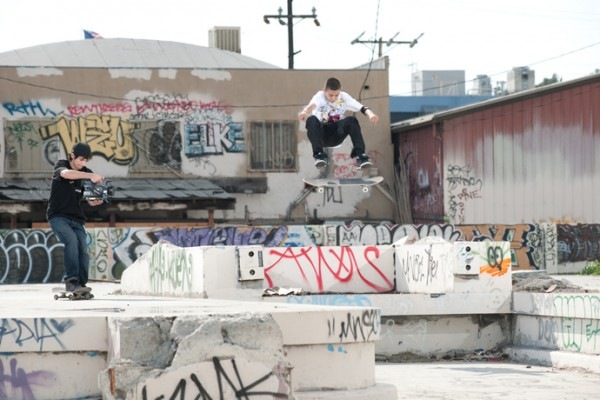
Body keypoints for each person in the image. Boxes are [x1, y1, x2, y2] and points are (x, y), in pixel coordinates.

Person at [47, 142, 104, 293]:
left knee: (83, 248)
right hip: (58, 216)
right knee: (71, 240)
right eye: (80, 159)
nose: (83, 163)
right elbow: (66, 174)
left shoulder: (86, 172)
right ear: (72, 156)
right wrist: (91, 176)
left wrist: (95, 200)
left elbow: (90, 199)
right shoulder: (62, 165)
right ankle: (71, 281)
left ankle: (81, 284)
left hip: (76, 219)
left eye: (85, 160)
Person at [299, 77, 379, 169]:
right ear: (324, 91)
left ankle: (361, 156)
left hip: (336, 135)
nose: (333, 98)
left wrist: (371, 114)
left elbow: (362, 107)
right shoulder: (319, 96)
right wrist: (305, 112)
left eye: (336, 95)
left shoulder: (344, 97)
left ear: (340, 92)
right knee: (311, 119)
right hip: (321, 135)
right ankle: (319, 155)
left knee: (351, 120)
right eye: (330, 95)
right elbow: (312, 105)